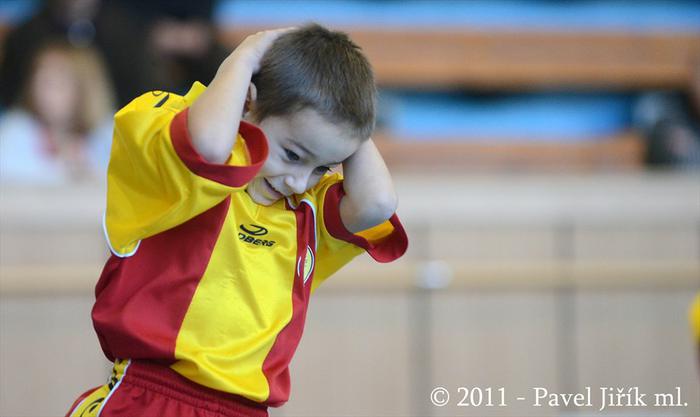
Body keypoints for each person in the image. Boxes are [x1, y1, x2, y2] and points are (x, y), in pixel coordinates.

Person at [64, 24, 408, 417]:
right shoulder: (174, 144)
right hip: (148, 396)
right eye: (293, 155)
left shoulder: (306, 207)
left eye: (321, 168)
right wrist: (245, 57)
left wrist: (346, 108)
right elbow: (209, 146)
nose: (299, 181)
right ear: (247, 100)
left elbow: (378, 203)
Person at [0, 40, 115, 184]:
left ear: (85, 88)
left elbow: (124, 181)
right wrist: (60, 167)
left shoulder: (108, 132)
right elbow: (8, 175)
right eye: (45, 82)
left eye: (60, 83)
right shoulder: (16, 130)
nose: (49, 93)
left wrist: (85, 166)